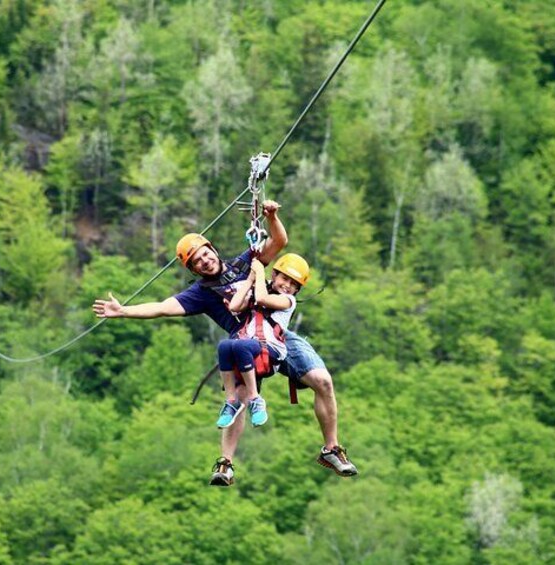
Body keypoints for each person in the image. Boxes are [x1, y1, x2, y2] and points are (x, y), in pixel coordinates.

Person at [92, 200, 358, 486]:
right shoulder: (201, 293)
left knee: (324, 381)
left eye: (205, 254)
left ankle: (331, 448)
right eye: (197, 261)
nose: (205, 261)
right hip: (244, 339)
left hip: (277, 333)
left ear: (213, 250)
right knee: (239, 399)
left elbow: (279, 240)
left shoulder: (244, 263)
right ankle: (225, 463)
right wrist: (125, 312)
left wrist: (272, 216)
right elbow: (163, 307)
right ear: (194, 269)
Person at [214, 254, 306, 431]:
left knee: (240, 346)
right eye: (284, 279)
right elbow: (234, 307)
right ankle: (231, 401)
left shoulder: (288, 300)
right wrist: (250, 279)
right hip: (250, 347)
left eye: (293, 285)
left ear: (296, 291)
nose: (287, 286)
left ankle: (255, 399)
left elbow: (263, 299)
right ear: (275, 275)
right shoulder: (258, 291)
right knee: (224, 346)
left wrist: (259, 271)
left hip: (270, 350)